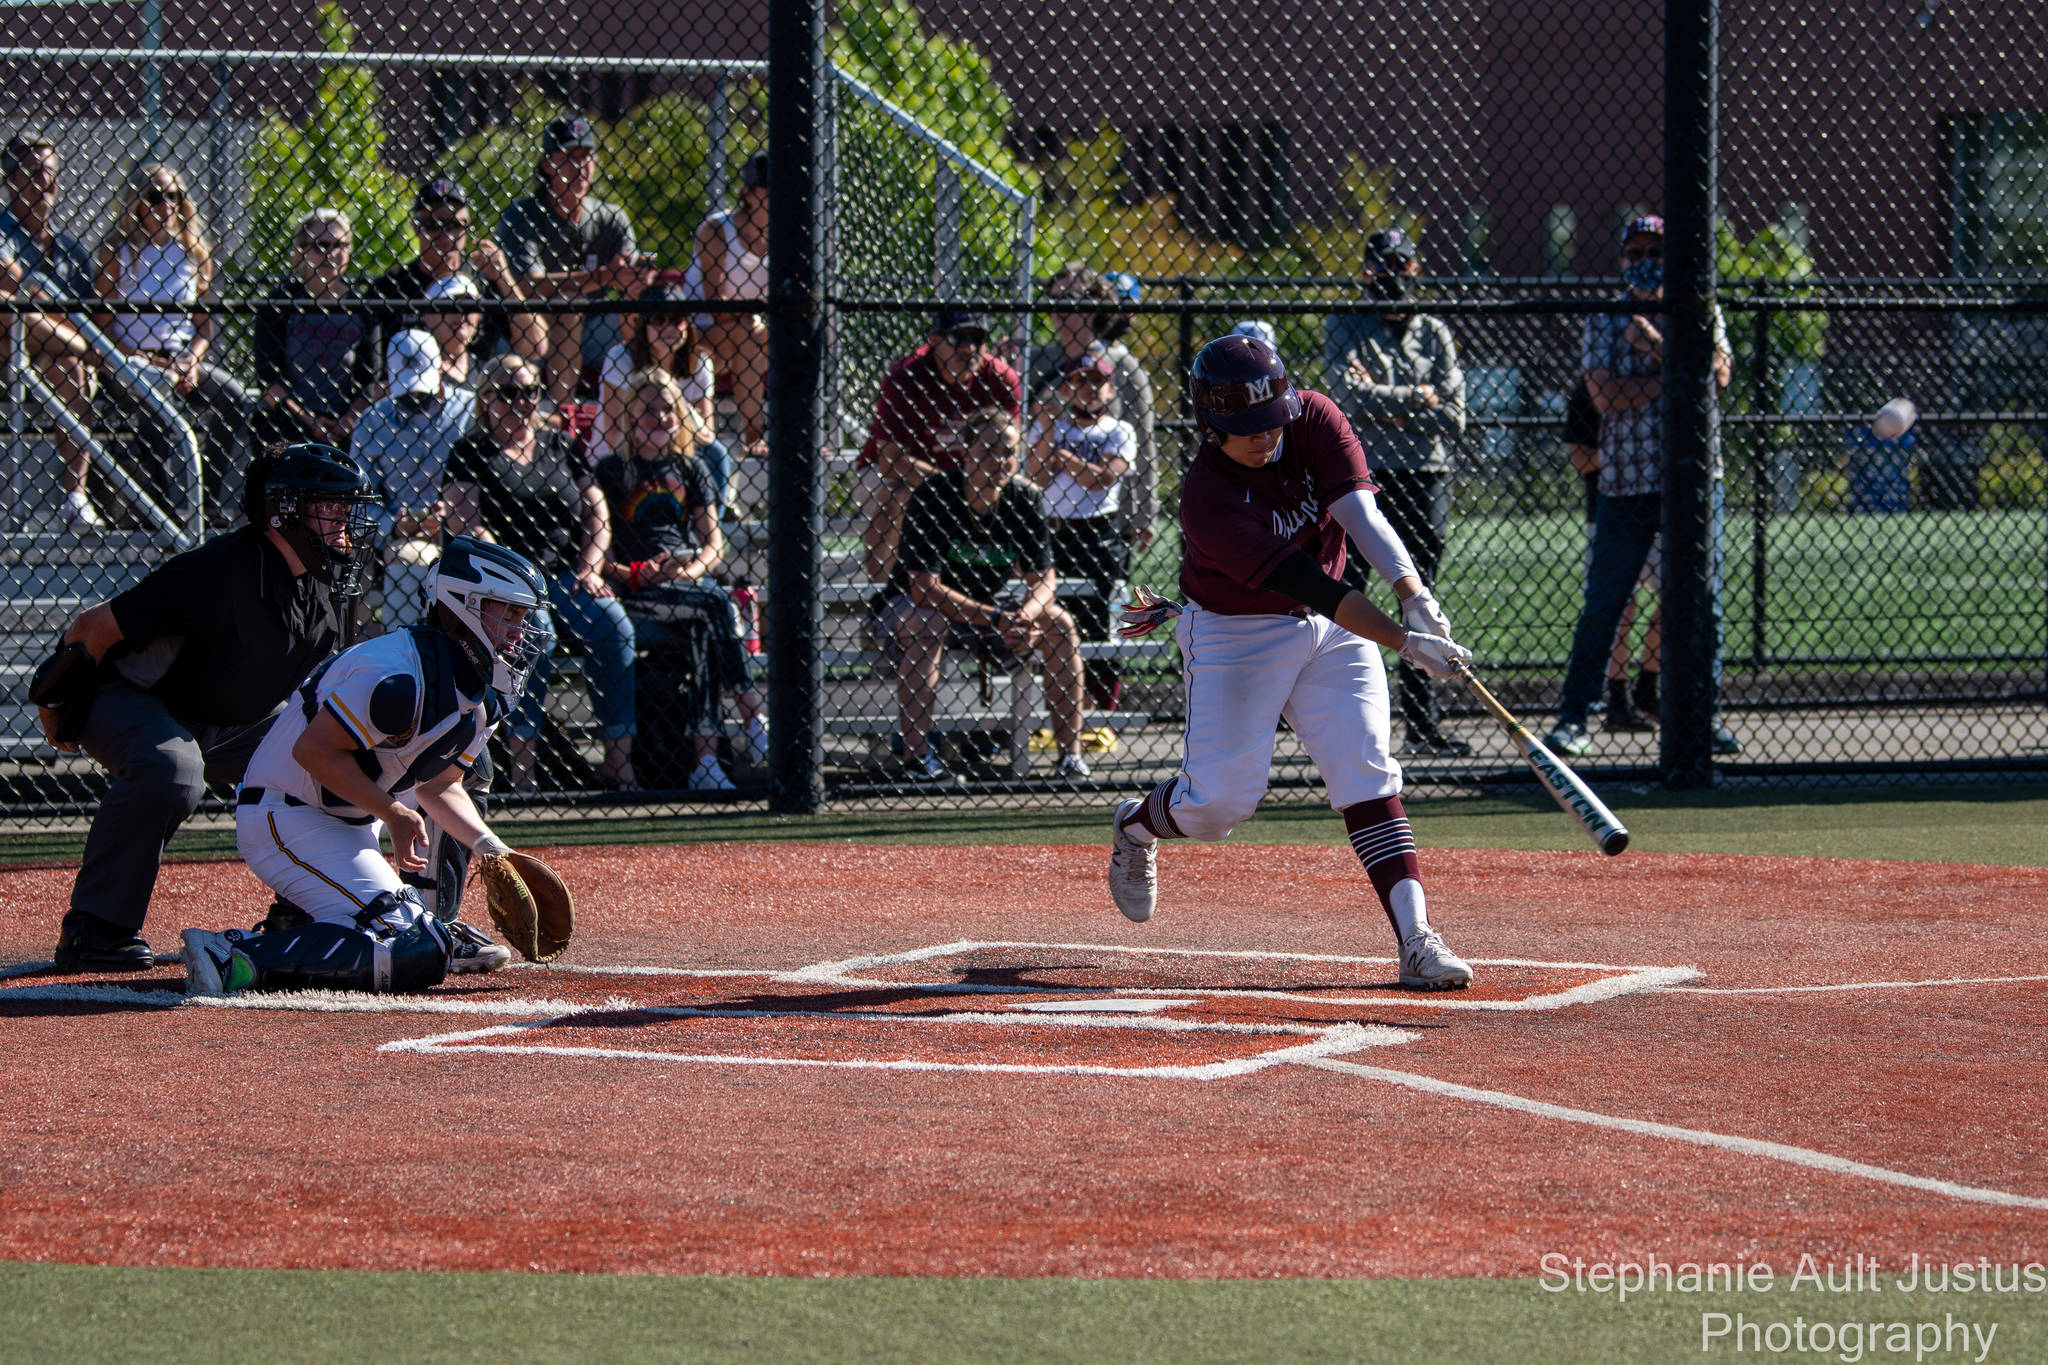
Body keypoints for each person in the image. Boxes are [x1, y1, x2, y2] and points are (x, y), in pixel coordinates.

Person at [1104, 333, 1477, 991]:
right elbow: (1320, 588)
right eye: (1245, 428)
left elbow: (1361, 517)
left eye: (1271, 420)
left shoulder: (1314, 416)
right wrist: (1406, 643)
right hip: (1235, 632)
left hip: (1332, 633)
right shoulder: (1206, 498)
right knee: (1218, 802)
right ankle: (1136, 826)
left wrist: (1417, 599)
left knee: (1366, 769)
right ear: (1210, 425)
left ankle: (1417, 939)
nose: (1265, 437)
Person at [31, 445, 378, 972]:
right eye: (330, 509)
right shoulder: (215, 570)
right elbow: (91, 628)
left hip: (236, 720)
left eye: (347, 510)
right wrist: (55, 702)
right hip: (133, 701)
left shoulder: (334, 578)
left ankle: (306, 911)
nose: (345, 525)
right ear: (282, 512)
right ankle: (94, 930)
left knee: (349, 754)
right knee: (172, 769)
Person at [178, 537, 550, 996]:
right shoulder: (396, 674)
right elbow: (313, 752)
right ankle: (231, 955)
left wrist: (491, 848)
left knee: (421, 936)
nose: (521, 628)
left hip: (349, 818)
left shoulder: (479, 693)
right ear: (466, 605)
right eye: (509, 612)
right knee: (415, 951)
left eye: (523, 615)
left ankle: (391, 922)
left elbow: (440, 785)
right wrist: (392, 812)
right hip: (286, 816)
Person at [1540, 215, 1736, 757]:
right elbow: (1605, 397)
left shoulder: (1700, 307)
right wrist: (1679, 372)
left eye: (1655, 250)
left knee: (1703, 603)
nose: (1644, 260)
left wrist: (1654, 345)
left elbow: (1717, 379)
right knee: (1605, 603)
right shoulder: (1607, 314)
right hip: (1625, 484)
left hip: (1694, 485)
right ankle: (1574, 717)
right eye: (1635, 252)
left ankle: (1702, 714)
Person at [441, 353, 637, 790]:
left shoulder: (559, 445)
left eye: (528, 392)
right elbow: (467, 524)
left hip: (565, 575)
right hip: (507, 584)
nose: (520, 402)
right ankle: (522, 770)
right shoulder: (470, 451)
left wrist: (590, 566)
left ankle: (618, 763)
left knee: (615, 626)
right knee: (536, 634)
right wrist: (516, 583)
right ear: (486, 399)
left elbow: (597, 513)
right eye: (508, 393)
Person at [883, 407, 1089, 784]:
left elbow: (1045, 581)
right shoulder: (934, 495)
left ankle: (1070, 759)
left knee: (1059, 623)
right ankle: (916, 760)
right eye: (989, 449)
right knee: (925, 621)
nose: (1001, 460)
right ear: (966, 452)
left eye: (1009, 450)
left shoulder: (1023, 497)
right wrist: (996, 618)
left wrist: (1024, 615)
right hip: (912, 607)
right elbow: (923, 589)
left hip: (989, 611)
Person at [1325, 227, 1470, 758]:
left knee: (1420, 595)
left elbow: (1454, 413)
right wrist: (1418, 396)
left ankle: (1424, 726)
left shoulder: (1433, 329)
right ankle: (1348, 724)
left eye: (1401, 265)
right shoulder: (1346, 322)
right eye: (1381, 266)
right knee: (1348, 595)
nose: (1392, 276)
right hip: (1364, 478)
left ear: (1415, 268)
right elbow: (1346, 398)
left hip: (1424, 473)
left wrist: (1386, 400)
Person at [594, 367, 768, 791]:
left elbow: (714, 546)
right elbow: (603, 555)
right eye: (649, 410)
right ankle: (752, 716)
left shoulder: (692, 468)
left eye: (668, 409)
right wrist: (638, 573)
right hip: (637, 587)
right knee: (716, 606)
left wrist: (684, 569)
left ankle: (705, 761)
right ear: (632, 417)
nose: (661, 418)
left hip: (684, 581)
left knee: (702, 624)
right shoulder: (612, 470)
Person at [94, 162, 252, 520]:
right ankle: (163, 508)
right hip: (132, 360)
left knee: (235, 398)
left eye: (174, 196)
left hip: (182, 360)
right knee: (154, 401)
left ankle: (206, 499)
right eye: (154, 197)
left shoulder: (193, 252)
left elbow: (204, 327)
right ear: (135, 202)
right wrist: (146, 360)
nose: (166, 206)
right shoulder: (118, 253)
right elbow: (103, 327)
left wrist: (191, 362)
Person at [858, 308, 1022, 584]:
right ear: (934, 341)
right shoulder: (907, 375)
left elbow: (1010, 449)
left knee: (1019, 497)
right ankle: (883, 592)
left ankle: (1006, 586)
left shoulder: (1000, 377)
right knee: (897, 496)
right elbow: (890, 460)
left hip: (973, 476)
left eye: (977, 339)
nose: (969, 348)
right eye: (958, 338)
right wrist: (954, 484)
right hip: (903, 475)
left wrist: (969, 482)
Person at [495, 117, 644, 405]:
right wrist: (603, 277)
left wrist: (636, 278)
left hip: (598, 327)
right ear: (547, 164)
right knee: (567, 305)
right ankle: (563, 413)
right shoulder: (522, 215)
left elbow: (627, 274)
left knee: (655, 310)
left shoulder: (611, 217)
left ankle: (654, 397)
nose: (579, 166)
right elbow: (529, 288)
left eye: (585, 155)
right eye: (567, 157)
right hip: (534, 332)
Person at [1026, 348, 1136, 710]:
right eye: (1079, 381)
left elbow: (1102, 479)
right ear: (1065, 389)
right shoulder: (1049, 426)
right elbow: (1035, 476)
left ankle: (1104, 708)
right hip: (1054, 532)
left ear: (1111, 390)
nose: (1089, 389)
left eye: (1097, 381)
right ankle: (1063, 706)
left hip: (1099, 534)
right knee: (1057, 621)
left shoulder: (1119, 430)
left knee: (1102, 621)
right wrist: (1046, 432)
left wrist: (1061, 456)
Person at [2, 132, 101, 529]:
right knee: (13, 309)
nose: (47, 182)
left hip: (52, 355)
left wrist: (39, 302)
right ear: (9, 181)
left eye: (50, 172)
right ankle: (105, 357)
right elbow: (14, 290)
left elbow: (89, 313)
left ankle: (75, 498)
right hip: (7, 349)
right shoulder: (3, 233)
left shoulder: (69, 250)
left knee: (69, 368)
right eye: (34, 172)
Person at [1024, 263, 1159, 554]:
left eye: (1072, 300)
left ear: (1095, 305)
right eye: (1055, 300)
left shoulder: (1125, 368)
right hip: (1043, 510)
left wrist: (1143, 515)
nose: (1061, 308)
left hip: (1105, 513)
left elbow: (1145, 443)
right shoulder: (1033, 363)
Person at [350, 329, 476, 627]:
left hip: (465, 524)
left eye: (424, 392)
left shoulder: (470, 410)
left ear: (443, 366)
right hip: (398, 533)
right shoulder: (372, 420)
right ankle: (394, 655)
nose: (417, 399)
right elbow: (356, 499)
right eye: (409, 393)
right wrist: (393, 525)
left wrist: (454, 516)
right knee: (409, 558)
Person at [1564, 376, 1658, 732]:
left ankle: (1649, 687)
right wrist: (1632, 452)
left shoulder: (1670, 382)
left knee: (1679, 599)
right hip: (1609, 510)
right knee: (1621, 604)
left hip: (1663, 511)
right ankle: (1618, 700)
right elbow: (1582, 458)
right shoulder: (1591, 387)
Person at [368, 176, 539, 369]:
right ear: (416, 227)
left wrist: (504, 277)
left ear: (467, 226)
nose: (446, 235)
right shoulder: (392, 286)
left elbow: (534, 347)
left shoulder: (483, 280)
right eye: (434, 225)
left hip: (476, 389)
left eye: (455, 225)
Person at [251, 208, 380, 451]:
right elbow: (268, 382)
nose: (331, 253)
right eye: (321, 245)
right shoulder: (281, 302)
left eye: (340, 245)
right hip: (288, 419)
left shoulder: (362, 308)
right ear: (301, 251)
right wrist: (310, 423)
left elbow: (370, 383)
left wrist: (345, 422)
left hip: (344, 421)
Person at [594, 282, 730, 508]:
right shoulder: (621, 358)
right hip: (625, 452)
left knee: (717, 452)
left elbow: (707, 433)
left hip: (677, 452)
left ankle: (714, 526)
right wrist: (684, 419)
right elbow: (613, 433)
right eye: (658, 319)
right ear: (643, 325)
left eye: (677, 320)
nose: (670, 327)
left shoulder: (700, 362)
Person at [683, 151, 769, 458]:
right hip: (697, 338)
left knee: (769, 334)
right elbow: (716, 307)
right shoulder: (718, 230)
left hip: (748, 340)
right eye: (768, 191)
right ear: (747, 194)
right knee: (751, 329)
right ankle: (752, 433)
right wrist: (762, 306)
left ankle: (801, 432)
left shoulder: (787, 235)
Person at [419, 271, 485, 394]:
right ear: (427, 315)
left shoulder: (487, 367)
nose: (460, 312)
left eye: (469, 303)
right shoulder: (415, 368)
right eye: (449, 303)